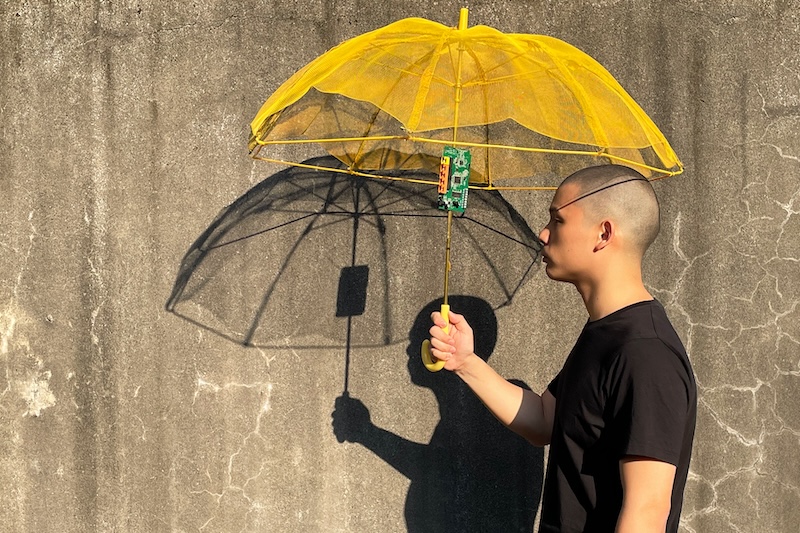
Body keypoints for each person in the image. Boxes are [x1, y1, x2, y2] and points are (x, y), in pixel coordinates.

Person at [427, 165, 697, 533]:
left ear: (603, 233)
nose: (542, 234)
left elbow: (647, 511)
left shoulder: (645, 353)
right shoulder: (605, 333)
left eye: (557, 220)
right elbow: (543, 421)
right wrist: (465, 362)